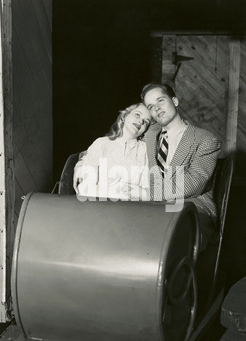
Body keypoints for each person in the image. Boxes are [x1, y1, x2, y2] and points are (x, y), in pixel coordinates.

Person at [140, 82, 222, 249]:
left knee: (169, 237)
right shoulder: (148, 135)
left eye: (160, 100)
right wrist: (83, 162)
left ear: (175, 101)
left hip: (192, 206)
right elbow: (120, 147)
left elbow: (194, 183)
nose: (156, 108)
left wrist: (149, 194)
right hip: (153, 207)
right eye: (150, 106)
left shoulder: (205, 139)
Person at [73, 103, 151, 201]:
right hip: (100, 208)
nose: (141, 121)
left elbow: (147, 192)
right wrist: (121, 194)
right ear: (124, 116)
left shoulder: (145, 150)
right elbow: (86, 188)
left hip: (132, 210)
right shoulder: (101, 144)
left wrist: (139, 193)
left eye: (146, 122)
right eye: (137, 115)